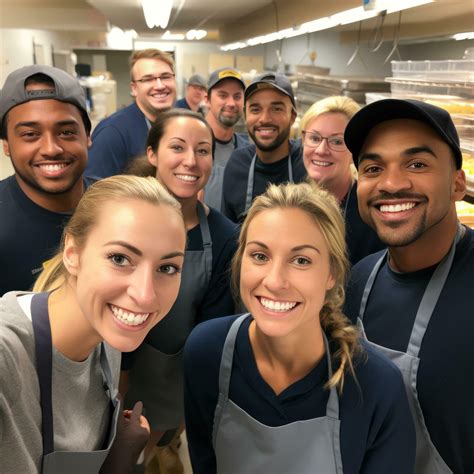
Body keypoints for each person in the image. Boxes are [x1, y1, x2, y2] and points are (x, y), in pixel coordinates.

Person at [184, 182, 415, 474]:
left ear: (331, 273)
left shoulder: (377, 386)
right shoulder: (206, 353)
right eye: (260, 255)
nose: (274, 281)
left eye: (301, 260)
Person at [0, 175, 187, 473]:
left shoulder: (107, 336)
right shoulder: (7, 357)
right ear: (72, 253)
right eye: (120, 258)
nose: (145, 295)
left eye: (167, 267)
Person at [343, 98, 473, 473]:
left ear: (457, 184)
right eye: (373, 167)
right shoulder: (358, 281)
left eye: (417, 164)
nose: (392, 183)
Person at [122, 109, 238, 473]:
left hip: (170, 389)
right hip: (109, 377)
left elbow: (210, 332)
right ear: (153, 154)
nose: (191, 160)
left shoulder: (222, 237)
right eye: (177, 147)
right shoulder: (120, 216)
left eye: (203, 150)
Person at [0, 64, 94, 296]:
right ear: (6, 145)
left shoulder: (116, 205)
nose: (51, 149)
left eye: (66, 132)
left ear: (87, 136)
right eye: (30, 134)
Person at [300, 96, 384, 265]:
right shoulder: (294, 201)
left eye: (337, 141)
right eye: (315, 138)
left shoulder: (373, 213)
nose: (322, 150)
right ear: (303, 141)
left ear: (355, 152)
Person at [222, 72, 306, 223]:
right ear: (246, 115)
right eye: (255, 109)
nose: (265, 119)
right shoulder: (237, 163)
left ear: (292, 116)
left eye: (277, 109)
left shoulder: (307, 162)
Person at [86, 49, 177, 178]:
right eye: (148, 79)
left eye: (166, 77)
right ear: (134, 89)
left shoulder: (174, 124)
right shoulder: (112, 132)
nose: (159, 85)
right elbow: (93, 191)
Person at [202, 67, 248, 211]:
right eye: (223, 95)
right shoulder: (188, 146)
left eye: (237, 96)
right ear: (207, 100)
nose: (231, 103)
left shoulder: (246, 151)